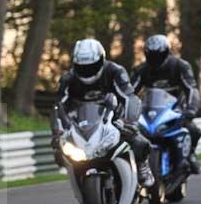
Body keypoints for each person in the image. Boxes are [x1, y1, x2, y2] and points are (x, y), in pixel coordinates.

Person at [52, 38, 155, 188]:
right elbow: (58, 107)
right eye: (82, 67)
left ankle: (142, 167)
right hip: (83, 122)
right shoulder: (68, 79)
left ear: (101, 59)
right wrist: (57, 131)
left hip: (114, 117)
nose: (87, 71)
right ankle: (80, 183)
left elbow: (130, 97)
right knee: (61, 153)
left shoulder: (115, 71)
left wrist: (129, 121)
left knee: (139, 142)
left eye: (92, 66)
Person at [131, 34, 201, 174]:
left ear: (166, 52)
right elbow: (129, 92)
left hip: (175, 109)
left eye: (158, 55)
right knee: (131, 134)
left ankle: (190, 155)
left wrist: (191, 109)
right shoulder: (141, 70)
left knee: (194, 131)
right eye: (151, 55)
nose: (155, 59)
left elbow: (191, 89)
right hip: (150, 110)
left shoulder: (180, 66)